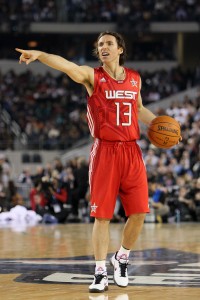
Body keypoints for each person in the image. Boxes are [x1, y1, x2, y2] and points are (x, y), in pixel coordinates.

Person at [15, 31, 157, 293]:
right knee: (101, 216)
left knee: (139, 213)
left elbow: (138, 109)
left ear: (119, 49)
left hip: (132, 152)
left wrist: (162, 124)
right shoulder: (93, 77)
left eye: (108, 43)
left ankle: (122, 256)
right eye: (100, 44)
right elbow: (67, 65)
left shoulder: (135, 79)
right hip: (105, 152)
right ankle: (100, 271)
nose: (103, 47)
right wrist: (40, 55)